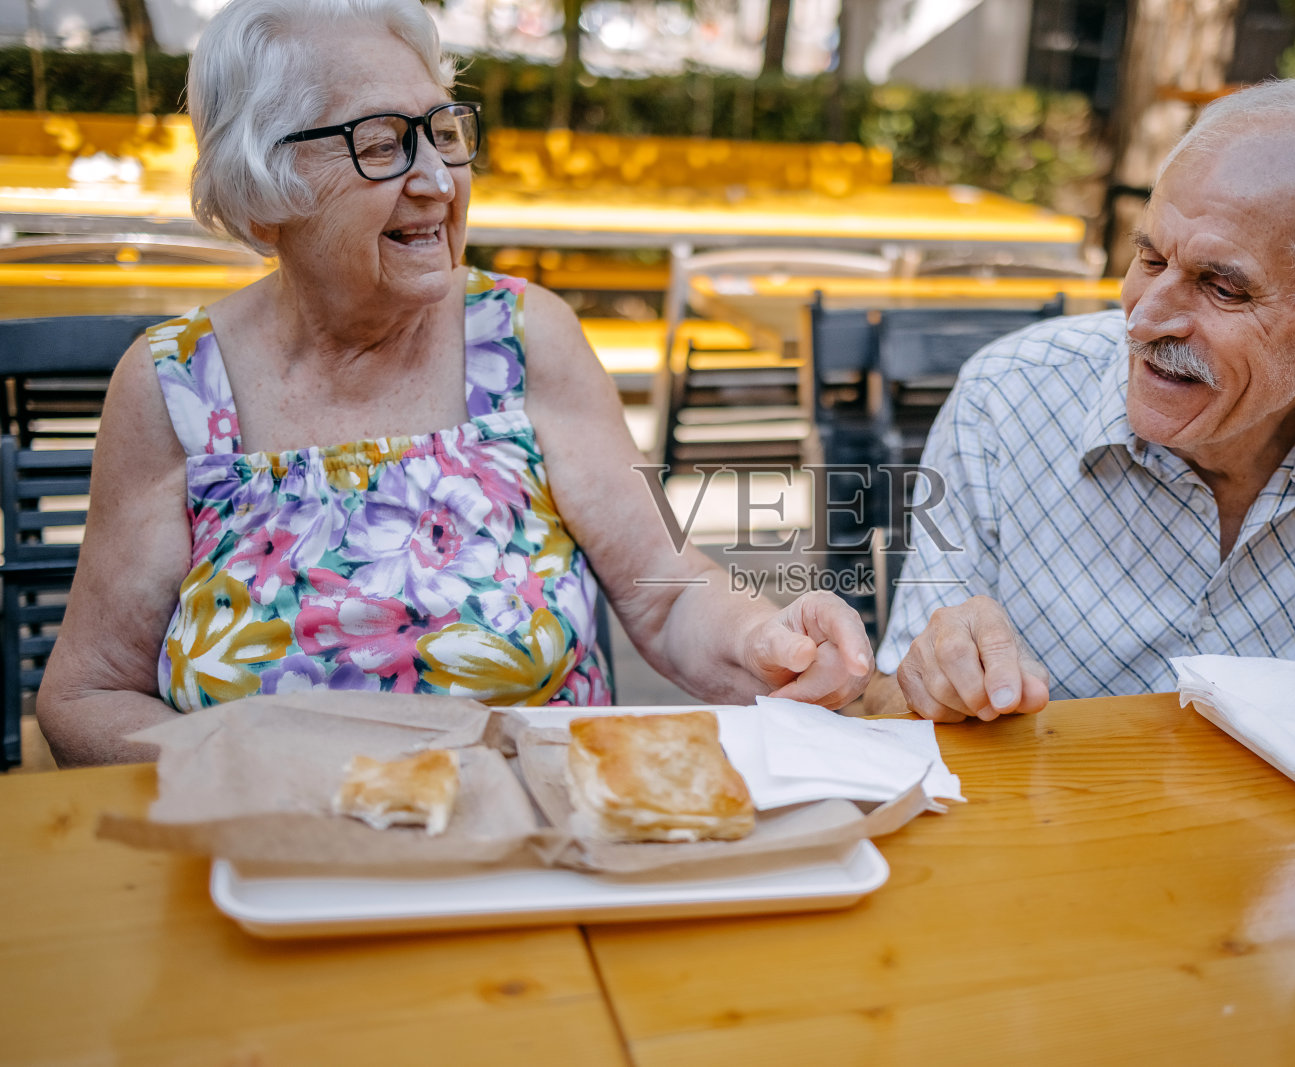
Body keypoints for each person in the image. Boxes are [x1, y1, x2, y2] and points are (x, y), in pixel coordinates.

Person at [37, 0, 871, 766]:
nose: (437, 179)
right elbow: (83, 698)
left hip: (539, 853)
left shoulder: (523, 337)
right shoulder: (174, 387)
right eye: (379, 144)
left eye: (442, 131)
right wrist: (254, 777)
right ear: (265, 194)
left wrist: (768, 638)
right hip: (272, 871)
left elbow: (669, 591)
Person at [864, 77, 1295, 722]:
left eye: (1222, 288)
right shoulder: (1006, 403)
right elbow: (892, 705)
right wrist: (932, 685)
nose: (1146, 319)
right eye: (1150, 259)